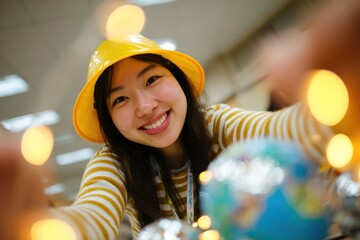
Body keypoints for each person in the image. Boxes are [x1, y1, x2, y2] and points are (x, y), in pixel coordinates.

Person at [1, 0, 359, 239]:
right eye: (120, 99)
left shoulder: (217, 123)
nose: (144, 106)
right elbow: (91, 220)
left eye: (152, 79)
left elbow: (287, 132)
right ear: (109, 119)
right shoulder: (113, 163)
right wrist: (30, 224)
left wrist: (341, 94)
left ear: (181, 83)